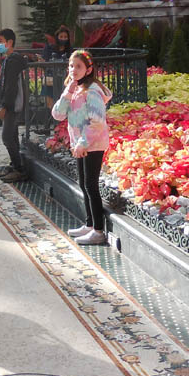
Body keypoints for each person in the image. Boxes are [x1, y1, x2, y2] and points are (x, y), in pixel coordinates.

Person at [51, 49, 113, 246]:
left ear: (88, 69)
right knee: (83, 184)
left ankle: (98, 230)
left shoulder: (92, 90)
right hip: (81, 144)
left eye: (78, 66)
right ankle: (89, 224)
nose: (73, 69)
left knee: (91, 185)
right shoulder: (74, 89)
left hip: (92, 144)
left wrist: (82, 143)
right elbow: (58, 114)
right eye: (71, 65)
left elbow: (97, 121)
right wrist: (68, 92)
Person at [0, 28, 28, 183]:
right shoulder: (9, 58)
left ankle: (19, 170)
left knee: (7, 137)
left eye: (0, 41)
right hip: (11, 104)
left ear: (9, 42)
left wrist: (5, 106)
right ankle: (15, 165)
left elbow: (11, 87)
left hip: (12, 105)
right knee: (12, 135)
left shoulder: (13, 60)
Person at [41, 25, 73, 110]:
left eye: (65, 37)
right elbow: (44, 60)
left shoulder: (70, 49)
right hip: (50, 77)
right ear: (57, 37)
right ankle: (52, 118)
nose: (63, 39)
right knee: (49, 101)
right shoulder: (49, 47)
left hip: (64, 78)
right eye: (61, 36)